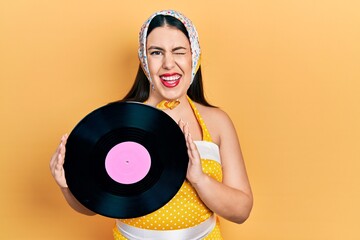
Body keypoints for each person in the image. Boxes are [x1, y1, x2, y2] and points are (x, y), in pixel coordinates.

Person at [50, 9, 253, 240]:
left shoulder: (217, 122)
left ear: (193, 56)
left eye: (179, 51)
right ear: (144, 60)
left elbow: (241, 211)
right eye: (156, 52)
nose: (168, 63)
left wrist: (199, 179)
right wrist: (67, 186)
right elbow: (95, 204)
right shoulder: (118, 121)